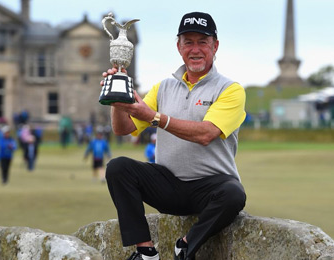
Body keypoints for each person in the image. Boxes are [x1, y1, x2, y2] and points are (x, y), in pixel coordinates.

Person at [102, 12, 247, 260]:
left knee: (234, 194)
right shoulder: (163, 87)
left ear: (215, 46)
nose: (196, 49)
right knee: (118, 168)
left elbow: (207, 133)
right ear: (179, 47)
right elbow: (123, 129)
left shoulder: (230, 89)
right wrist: (119, 99)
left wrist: (156, 117)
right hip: (168, 184)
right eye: (188, 42)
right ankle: (146, 251)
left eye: (203, 42)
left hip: (210, 187)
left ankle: (186, 246)